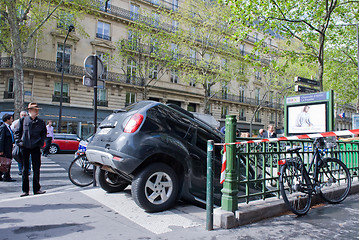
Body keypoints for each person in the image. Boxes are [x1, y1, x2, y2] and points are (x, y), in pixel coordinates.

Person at [15, 103, 47, 197]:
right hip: (25, 147)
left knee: (36, 168)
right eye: (34, 110)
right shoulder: (23, 120)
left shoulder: (41, 122)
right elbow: (17, 132)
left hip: (36, 147)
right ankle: (25, 190)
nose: (36, 112)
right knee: (25, 169)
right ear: (29, 111)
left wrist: (40, 144)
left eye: (37, 110)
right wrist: (19, 142)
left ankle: (36, 189)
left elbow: (43, 134)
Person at [11, 110, 31, 175]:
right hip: (19, 143)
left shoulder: (30, 122)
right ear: (20, 116)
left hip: (28, 143)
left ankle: (28, 170)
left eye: (25, 115)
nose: (23, 116)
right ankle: (20, 170)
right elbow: (12, 130)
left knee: (28, 158)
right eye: (22, 115)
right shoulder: (16, 122)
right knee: (19, 156)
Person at [0, 113, 15, 182]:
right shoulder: (3, 127)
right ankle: (6, 176)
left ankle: (4, 175)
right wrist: (1, 150)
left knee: (6, 162)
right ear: (7, 119)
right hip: (5, 149)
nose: (12, 120)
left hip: (9, 148)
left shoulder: (8, 127)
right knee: (5, 163)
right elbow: (1, 139)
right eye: (11, 119)